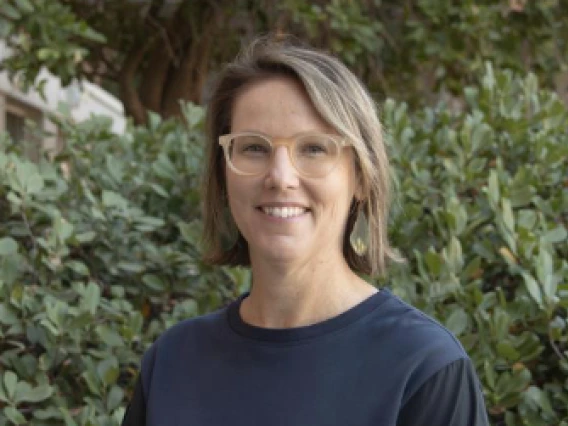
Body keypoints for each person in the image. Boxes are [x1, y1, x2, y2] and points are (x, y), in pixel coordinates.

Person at [121, 36, 489, 426]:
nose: (280, 177)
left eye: (313, 148)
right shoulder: (174, 361)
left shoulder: (424, 368)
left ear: (361, 177)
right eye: (253, 148)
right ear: (223, 174)